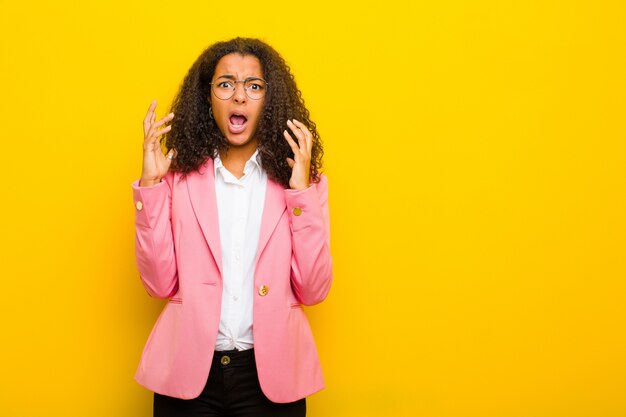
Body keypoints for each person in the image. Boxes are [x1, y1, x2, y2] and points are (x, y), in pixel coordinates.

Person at [131, 37, 332, 417]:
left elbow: (313, 288)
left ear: (269, 100)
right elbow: (158, 284)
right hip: (189, 378)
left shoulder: (301, 183)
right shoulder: (177, 179)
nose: (239, 97)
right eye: (225, 84)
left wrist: (301, 193)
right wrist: (152, 188)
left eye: (253, 86)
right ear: (207, 98)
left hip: (271, 381)